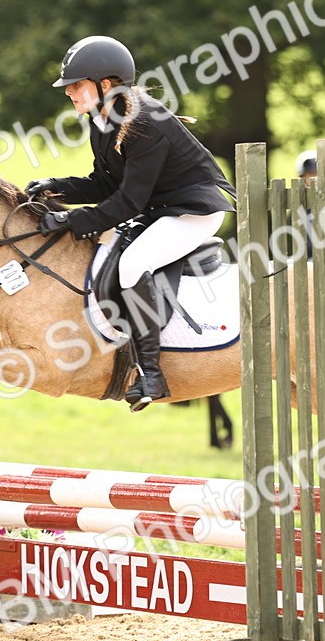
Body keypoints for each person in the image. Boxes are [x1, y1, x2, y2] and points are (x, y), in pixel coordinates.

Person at [25, 36, 235, 412]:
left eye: (77, 84)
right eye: (69, 87)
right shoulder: (101, 119)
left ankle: (151, 374)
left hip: (193, 210)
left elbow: (128, 201)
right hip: (161, 208)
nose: (70, 93)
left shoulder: (144, 121)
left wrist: (73, 221)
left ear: (106, 84)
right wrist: (57, 188)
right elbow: (107, 184)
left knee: (133, 263)